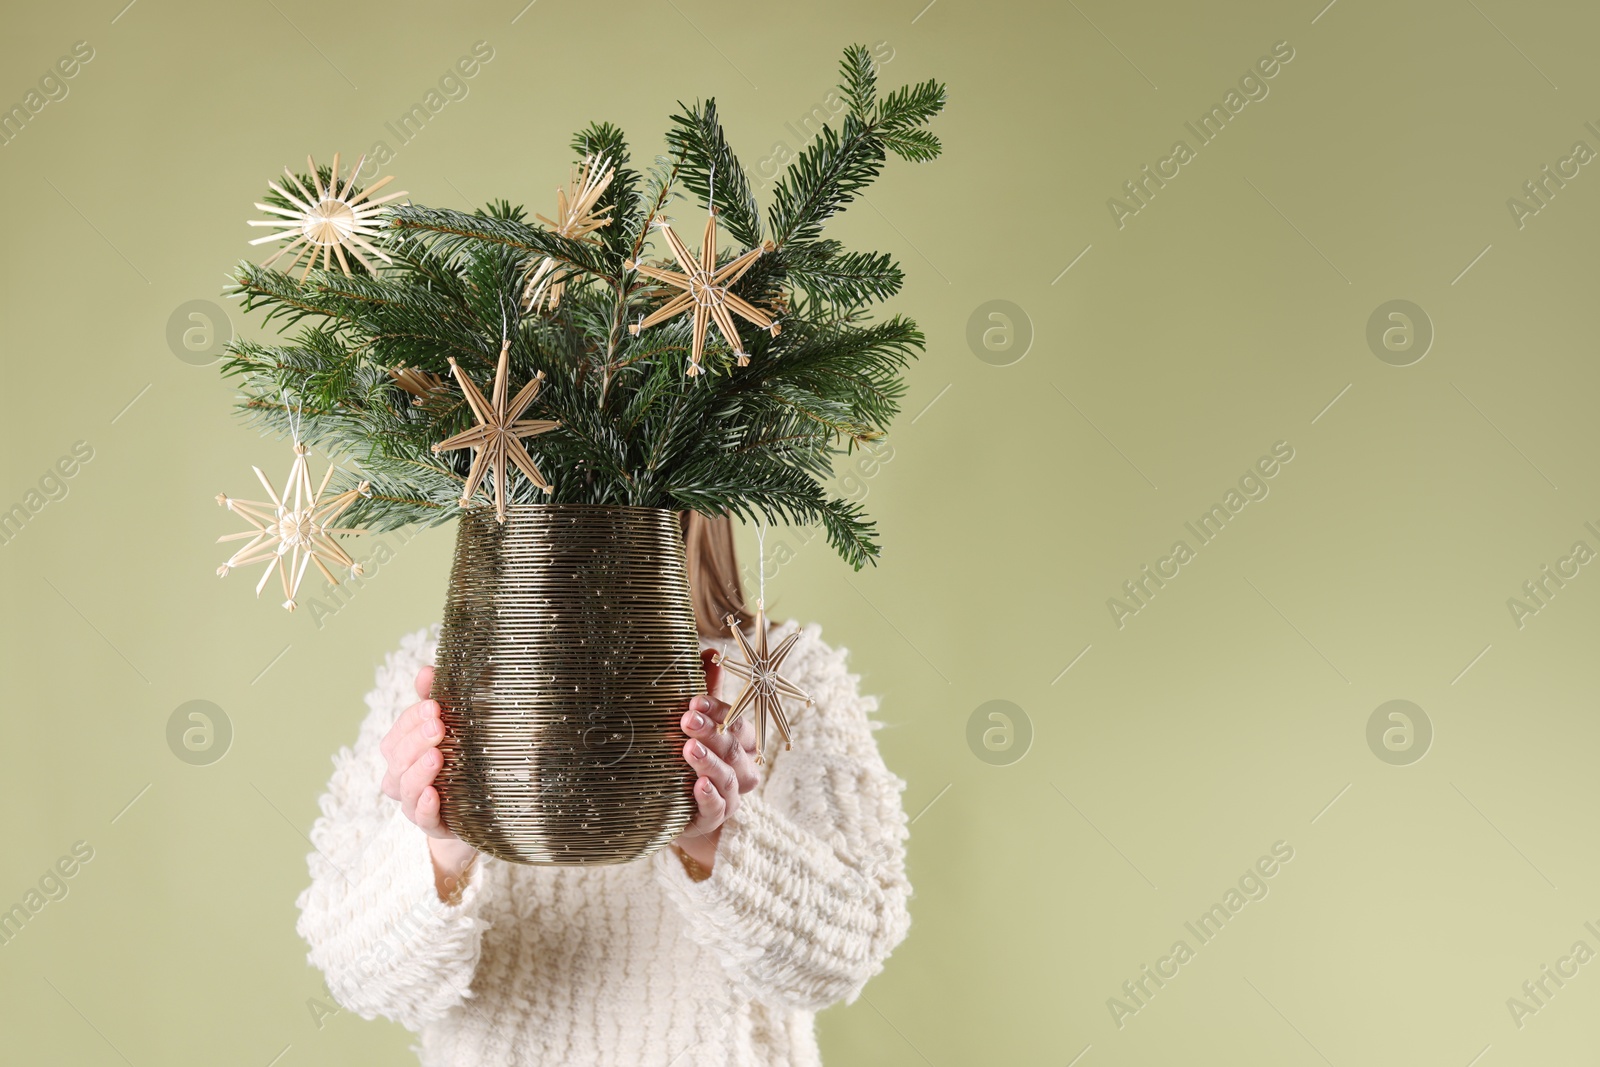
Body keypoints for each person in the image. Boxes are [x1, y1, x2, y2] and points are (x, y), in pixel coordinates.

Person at [295, 512, 912, 1066]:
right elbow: (357, 972)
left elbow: (845, 955)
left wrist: (721, 841)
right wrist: (442, 850)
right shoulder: (441, 681)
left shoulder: (778, 677)